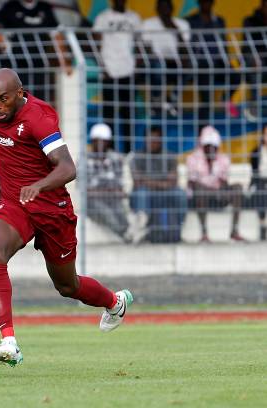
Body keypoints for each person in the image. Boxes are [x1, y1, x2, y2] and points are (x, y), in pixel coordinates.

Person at [0, 68, 133, 366]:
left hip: (52, 209)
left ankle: (115, 303)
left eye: (3, 99)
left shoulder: (39, 118)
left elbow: (67, 168)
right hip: (15, 203)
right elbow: (1, 148)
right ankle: (8, 340)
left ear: (20, 94)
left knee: (67, 286)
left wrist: (38, 185)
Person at [0, 0, 73, 102]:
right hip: (13, 63)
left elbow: (57, 35)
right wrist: (1, 40)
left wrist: (64, 62)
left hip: (38, 64)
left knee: (37, 101)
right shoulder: (10, 6)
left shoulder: (44, 8)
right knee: (12, 101)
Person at [93, 0, 141, 153]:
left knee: (128, 114)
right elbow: (95, 43)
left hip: (128, 71)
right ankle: (110, 151)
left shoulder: (134, 18)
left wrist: (137, 66)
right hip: (109, 72)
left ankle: (128, 151)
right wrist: (102, 66)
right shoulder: (103, 17)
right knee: (109, 115)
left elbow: (140, 44)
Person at [186, 126, 246, 243]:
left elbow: (224, 182)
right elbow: (192, 183)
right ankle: (204, 234)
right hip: (200, 198)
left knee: (237, 187)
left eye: (214, 146)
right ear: (202, 146)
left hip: (219, 195)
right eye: (208, 146)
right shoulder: (193, 159)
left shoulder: (223, 159)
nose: (211, 149)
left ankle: (234, 231)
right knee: (200, 189)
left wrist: (214, 165)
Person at [86, 123, 144, 243]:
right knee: (106, 212)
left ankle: (129, 232)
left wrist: (106, 191)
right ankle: (127, 234)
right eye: (97, 141)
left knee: (121, 211)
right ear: (92, 141)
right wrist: (108, 191)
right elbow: (86, 192)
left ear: (108, 142)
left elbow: (121, 188)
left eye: (104, 141)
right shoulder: (84, 160)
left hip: (113, 199)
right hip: (93, 202)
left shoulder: (116, 159)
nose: (101, 144)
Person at [186, 0, 241, 122]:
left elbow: (223, 43)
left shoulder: (219, 21)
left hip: (218, 62)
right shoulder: (191, 21)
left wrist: (227, 61)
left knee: (236, 77)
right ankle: (203, 129)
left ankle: (226, 99)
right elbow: (188, 45)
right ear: (199, 3)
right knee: (206, 97)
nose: (206, 4)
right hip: (201, 64)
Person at [130, 125, 187, 243]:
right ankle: (142, 232)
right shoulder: (137, 157)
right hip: (146, 193)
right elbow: (137, 181)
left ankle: (176, 230)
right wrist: (162, 182)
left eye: (156, 139)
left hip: (165, 193)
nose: (152, 142)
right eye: (150, 139)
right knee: (141, 193)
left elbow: (173, 181)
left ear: (161, 140)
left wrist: (148, 181)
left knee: (180, 194)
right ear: (145, 140)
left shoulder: (170, 156)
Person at [141, 0, 190, 117]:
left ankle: (172, 100)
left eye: (167, 8)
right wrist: (160, 58)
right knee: (159, 65)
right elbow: (147, 50)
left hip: (175, 62)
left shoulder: (182, 24)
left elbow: (185, 51)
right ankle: (157, 100)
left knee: (190, 65)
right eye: (162, 8)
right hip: (156, 61)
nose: (165, 11)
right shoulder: (148, 24)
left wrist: (176, 30)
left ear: (172, 9)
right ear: (157, 9)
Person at [241, 0, 267, 122]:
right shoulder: (250, 21)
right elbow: (247, 46)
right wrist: (256, 57)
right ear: (262, 5)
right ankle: (254, 109)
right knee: (256, 64)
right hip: (254, 60)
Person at [249, 124, 267, 240]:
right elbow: (254, 173)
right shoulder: (256, 152)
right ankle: (262, 224)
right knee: (261, 190)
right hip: (260, 181)